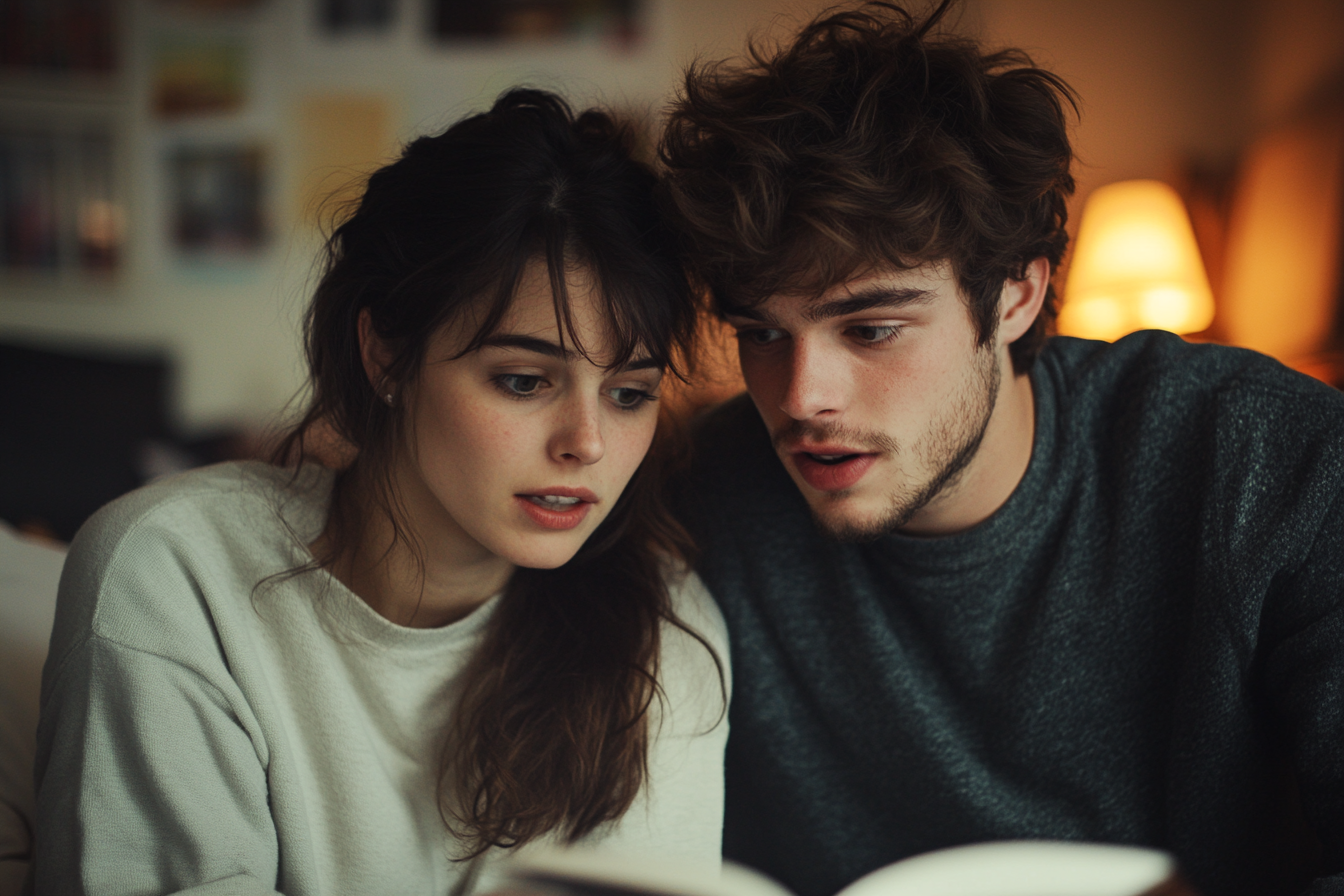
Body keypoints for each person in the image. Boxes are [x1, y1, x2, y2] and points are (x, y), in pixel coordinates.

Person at [657, 2, 1344, 895]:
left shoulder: (1263, 459)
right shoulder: (698, 493)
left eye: (869, 329)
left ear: (1018, 295)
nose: (800, 398)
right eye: (762, 333)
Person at [29, 89, 728, 896]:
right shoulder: (173, 576)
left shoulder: (661, 627)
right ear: (386, 357)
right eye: (525, 380)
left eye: (631, 393)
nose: (589, 442)